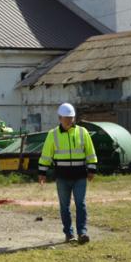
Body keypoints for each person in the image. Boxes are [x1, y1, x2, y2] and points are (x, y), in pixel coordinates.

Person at [38, 103, 98, 244]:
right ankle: (69, 234)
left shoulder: (83, 132)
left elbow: (90, 152)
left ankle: (82, 233)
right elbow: (46, 155)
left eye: (71, 118)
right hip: (62, 177)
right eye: (66, 119)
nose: (69, 121)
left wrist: (92, 169)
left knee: (80, 204)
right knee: (64, 206)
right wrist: (42, 172)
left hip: (80, 176)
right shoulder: (53, 135)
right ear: (60, 118)